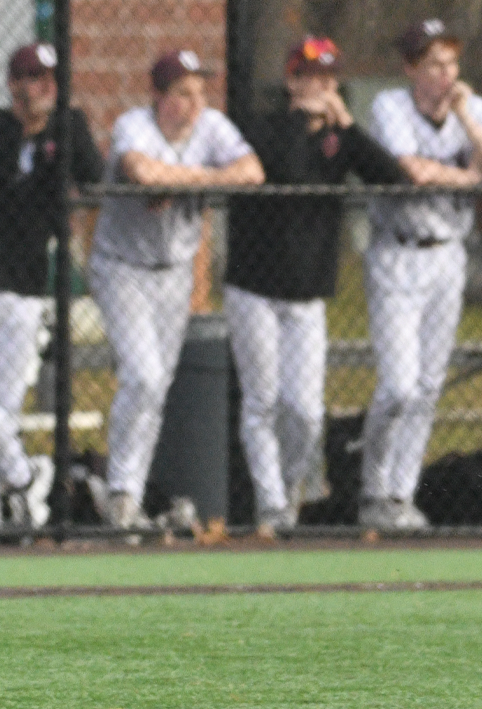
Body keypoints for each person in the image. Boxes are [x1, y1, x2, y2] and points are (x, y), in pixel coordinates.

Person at [227, 37, 408, 535]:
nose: (318, 85)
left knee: (305, 410)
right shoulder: (261, 127)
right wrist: (299, 119)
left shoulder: (340, 138)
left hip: (307, 294)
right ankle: (271, 505)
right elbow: (280, 166)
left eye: (327, 77)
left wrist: (348, 126)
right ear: (291, 80)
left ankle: (287, 489)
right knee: (262, 401)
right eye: (308, 75)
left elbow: (393, 180)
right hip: (255, 288)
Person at [92, 50, 262, 528]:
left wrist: (185, 181)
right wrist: (206, 180)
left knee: (157, 386)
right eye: (183, 92)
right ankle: (122, 492)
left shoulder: (211, 127)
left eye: (199, 91)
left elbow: (252, 172)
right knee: (143, 376)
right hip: (123, 267)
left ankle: (129, 494)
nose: (195, 102)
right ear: (159, 97)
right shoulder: (135, 124)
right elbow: (142, 171)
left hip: (174, 273)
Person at [361, 19, 482, 530]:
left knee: (428, 385)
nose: (445, 73)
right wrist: (470, 176)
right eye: (432, 63)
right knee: (399, 386)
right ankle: (373, 486)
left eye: (450, 62)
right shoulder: (391, 107)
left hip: (448, 254)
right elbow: (413, 169)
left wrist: (469, 119)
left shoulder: (473, 110)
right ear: (411, 70)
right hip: (398, 252)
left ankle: (399, 498)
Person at [0, 43, 104, 528]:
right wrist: (22, 126)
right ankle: (24, 478)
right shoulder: (2, 131)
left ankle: (22, 481)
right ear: (12, 84)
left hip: (23, 289)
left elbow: (94, 175)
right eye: (29, 78)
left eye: (46, 79)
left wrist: (55, 123)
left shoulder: (68, 128)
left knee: (4, 407)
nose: (38, 88)